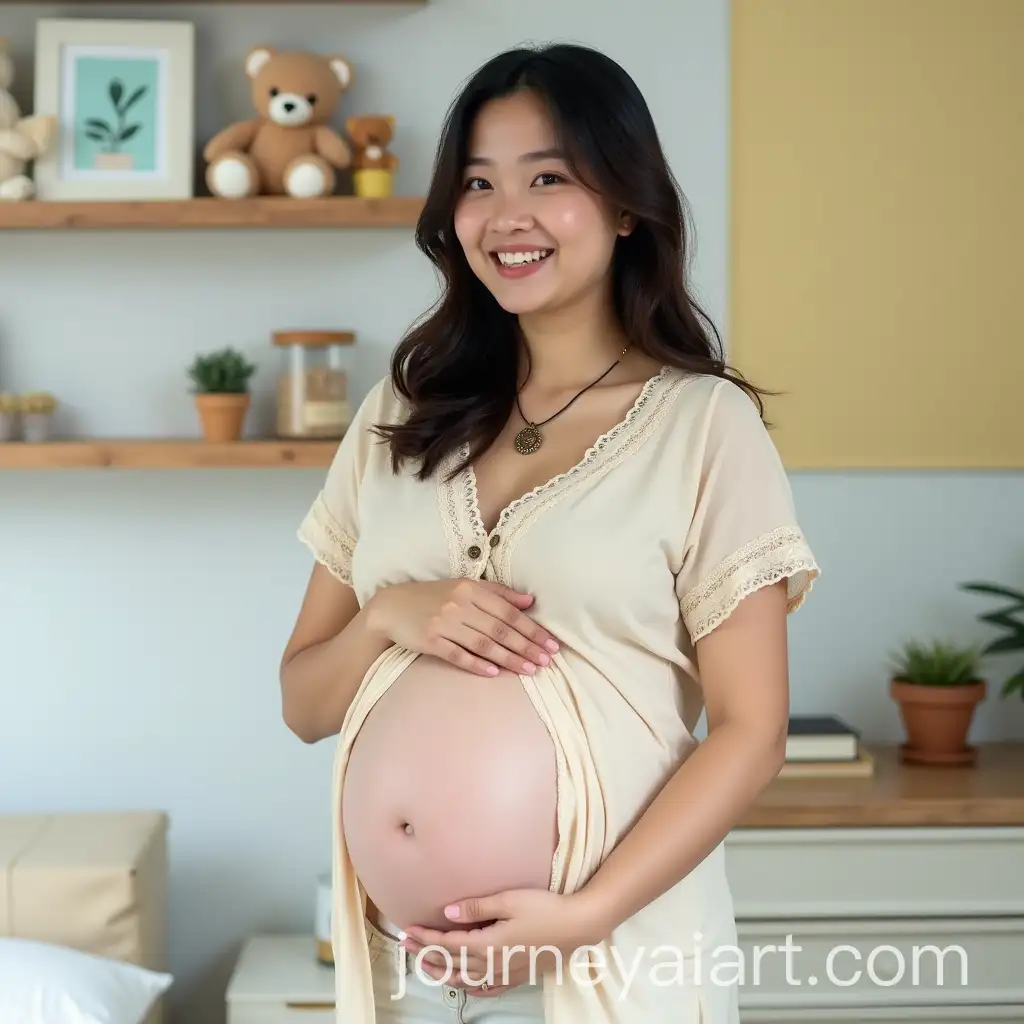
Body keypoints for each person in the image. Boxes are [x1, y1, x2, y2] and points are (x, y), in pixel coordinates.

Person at [280, 41, 819, 1024]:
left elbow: (750, 731)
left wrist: (583, 914)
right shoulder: (401, 412)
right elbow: (304, 703)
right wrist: (387, 616)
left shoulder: (704, 426)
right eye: (478, 182)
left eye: (548, 178)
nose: (506, 215)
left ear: (623, 206)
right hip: (409, 980)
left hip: (612, 957)